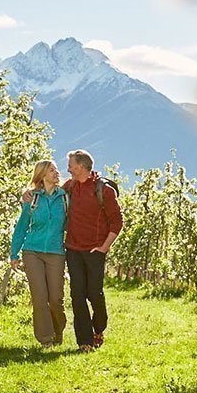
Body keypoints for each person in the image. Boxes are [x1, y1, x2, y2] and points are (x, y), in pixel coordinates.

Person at [63, 150, 123, 352]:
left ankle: (99, 327)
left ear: (80, 166)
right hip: (72, 248)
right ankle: (85, 342)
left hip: (94, 250)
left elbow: (117, 222)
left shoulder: (104, 190)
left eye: (70, 164)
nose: (68, 168)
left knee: (94, 293)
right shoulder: (70, 186)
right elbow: (48, 192)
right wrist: (27, 194)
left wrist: (104, 247)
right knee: (77, 294)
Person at [10, 160, 68, 348]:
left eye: (57, 170)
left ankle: (58, 330)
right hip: (32, 251)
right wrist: (14, 254)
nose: (57, 173)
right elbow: (21, 228)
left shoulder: (65, 198)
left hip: (56, 252)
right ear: (42, 175)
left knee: (56, 299)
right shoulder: (32, 199)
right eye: (52, 170)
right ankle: (46, 339)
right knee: (40, 297)